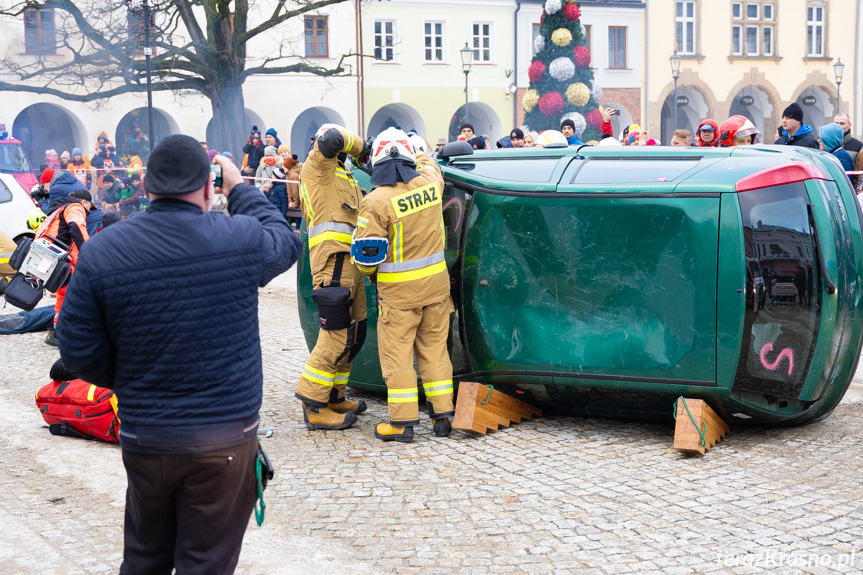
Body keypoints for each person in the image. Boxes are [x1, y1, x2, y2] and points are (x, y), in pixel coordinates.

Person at [56, 136, 300, 575]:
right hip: (225, 439)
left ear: (146, 187)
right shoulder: (239, 238)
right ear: (209, 189)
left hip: (147, 436)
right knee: (205, 564)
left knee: (145, 559)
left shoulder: (103, 251)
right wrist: (239, 188)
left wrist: (135, 378)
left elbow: (76, 349)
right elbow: (284, 238)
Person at [352, 127, 454, 442]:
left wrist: (373, 277)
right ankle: (443, 417)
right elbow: (430, 165)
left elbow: (366, 257)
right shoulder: (430, 185)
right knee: (435, 352)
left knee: (398, 357)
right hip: (437, 290)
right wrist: (416, 146)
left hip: (398, 296)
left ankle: (403, 423)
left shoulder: (376, 201)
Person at [294, 124, 370, 430]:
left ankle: (335, 395)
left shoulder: (344, 175)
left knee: (355, 333)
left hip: (351, 262)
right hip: (332, 260)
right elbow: (333, 138)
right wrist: (364, 148)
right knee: (336, 334)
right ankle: (313, 404)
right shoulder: (317, 165)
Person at [34, 186, 94, 344]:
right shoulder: (75, 207)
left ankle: (57, 333)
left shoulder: (58, 210)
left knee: (64, 294)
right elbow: (77, 227)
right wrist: (90, 253)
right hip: (59, 259)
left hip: (48, 258)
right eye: (89, 206)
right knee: (78, 294)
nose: (89, 210)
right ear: (83, 201)